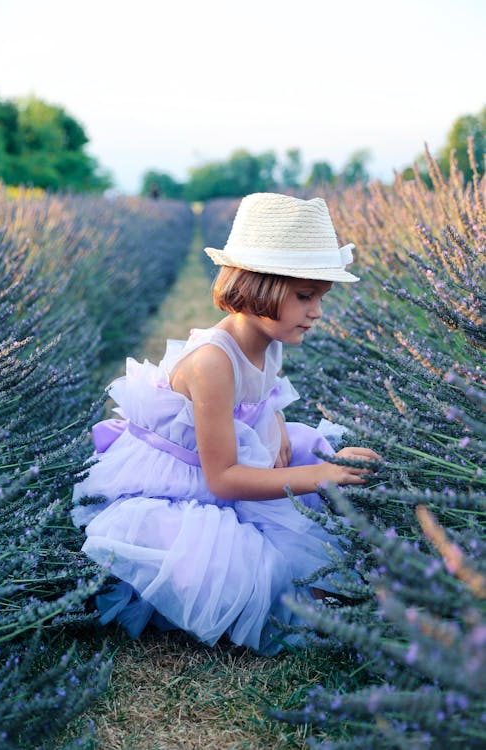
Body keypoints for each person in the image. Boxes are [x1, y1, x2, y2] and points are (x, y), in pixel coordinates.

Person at [72, 192, 381, 654]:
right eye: (304, 297)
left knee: (306, 451)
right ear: (259, 288)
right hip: (184, 479)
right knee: (238, 568)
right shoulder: (213, 362)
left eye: (320, 297)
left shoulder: (267, 337)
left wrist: (277, 421)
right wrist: (320, 475)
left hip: (229, 452)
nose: (317, 311)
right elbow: (223, 479)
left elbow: (265, 392)